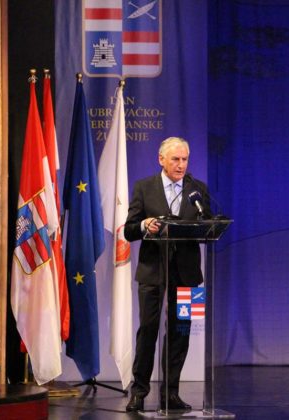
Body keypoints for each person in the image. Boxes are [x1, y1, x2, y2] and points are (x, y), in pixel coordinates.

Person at [124, 137, 209, 412]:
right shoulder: (144, 187)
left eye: (185, 159)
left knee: (181, 333)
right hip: (152, 273)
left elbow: (208, 225)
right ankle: (139, 392)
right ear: (161, 159)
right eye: (175, 159)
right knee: (148, 331)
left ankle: (171, 394)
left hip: (189, 276)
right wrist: (144, 225)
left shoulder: (198, 189)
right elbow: (129, 230)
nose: (181, 165)